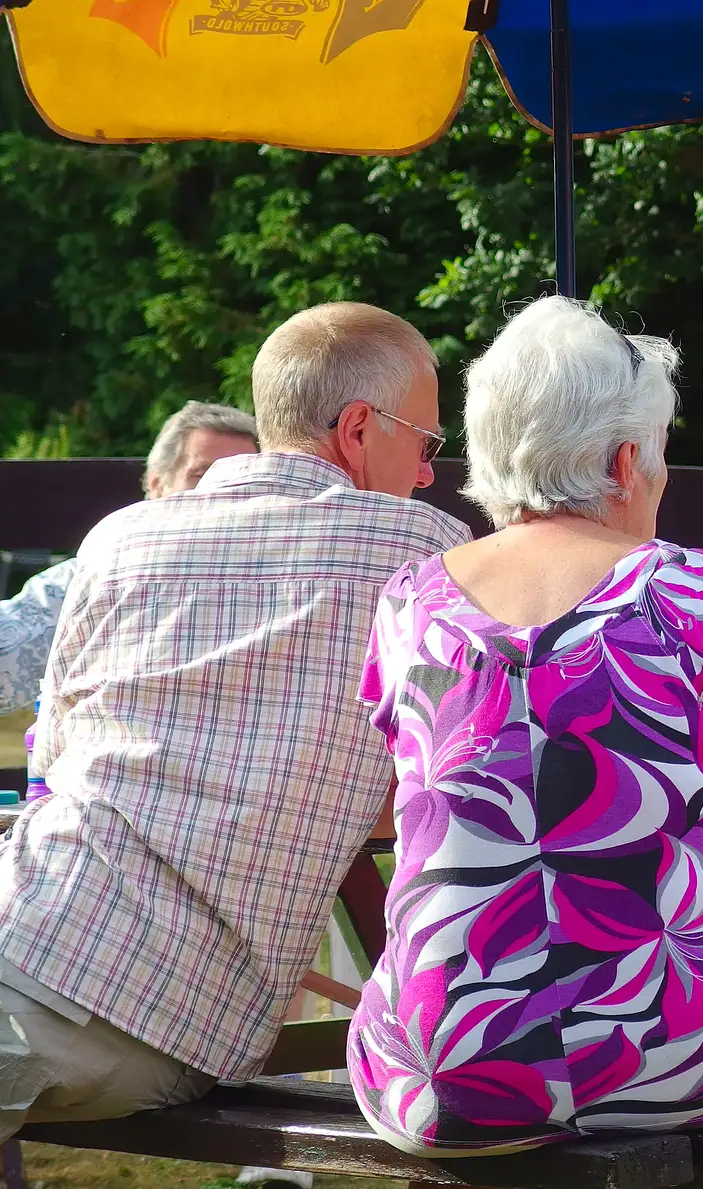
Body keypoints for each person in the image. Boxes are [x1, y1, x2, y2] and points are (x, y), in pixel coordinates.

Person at [346, 297, 703, 1156]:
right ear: (623, 462)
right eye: (658, 455)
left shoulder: (410, 604)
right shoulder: (697, 595)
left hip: (438, 1071)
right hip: (670, 1054)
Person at [0, 302, 469, 1140]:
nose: (432, 471)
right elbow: (439, 780)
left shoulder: (118, 538)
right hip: (157, 1014)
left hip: (46, 947)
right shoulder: (421, 553)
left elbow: (57, 751)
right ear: (359, 427)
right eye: (428, 442)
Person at [0, 400, 258, 717]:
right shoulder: (100, 574)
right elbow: (10, 652)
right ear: (156, 485)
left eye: (244, 480)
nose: (223, 494)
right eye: (201, 476)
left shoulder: (295, 581)